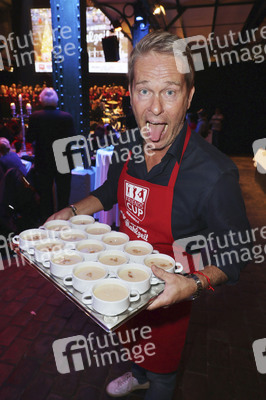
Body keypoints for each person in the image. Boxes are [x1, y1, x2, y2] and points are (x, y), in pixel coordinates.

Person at [47, 31, 250, 400]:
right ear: (130, 92)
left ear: (188, 96)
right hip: (123, 277)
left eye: (170, 91)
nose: (155, 109)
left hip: (168, 295)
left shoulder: (214, 175)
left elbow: (237, 252)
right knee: (133, 344)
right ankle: (137, 373)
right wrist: (72, 210)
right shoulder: (129, 144)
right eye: (144, 90)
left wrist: (192, 284)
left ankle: (154, 382)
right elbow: (111, 191)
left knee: (163, 373)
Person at [26, 87, 75, 223]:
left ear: (41, 100)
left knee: (45, 194)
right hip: (64, 159)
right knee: (63, 194)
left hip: (44, 160)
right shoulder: (66, 117)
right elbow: (72, 139)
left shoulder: (35, 117)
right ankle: (64, 221)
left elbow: (30, 138)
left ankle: (47, 222)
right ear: (56, 100)